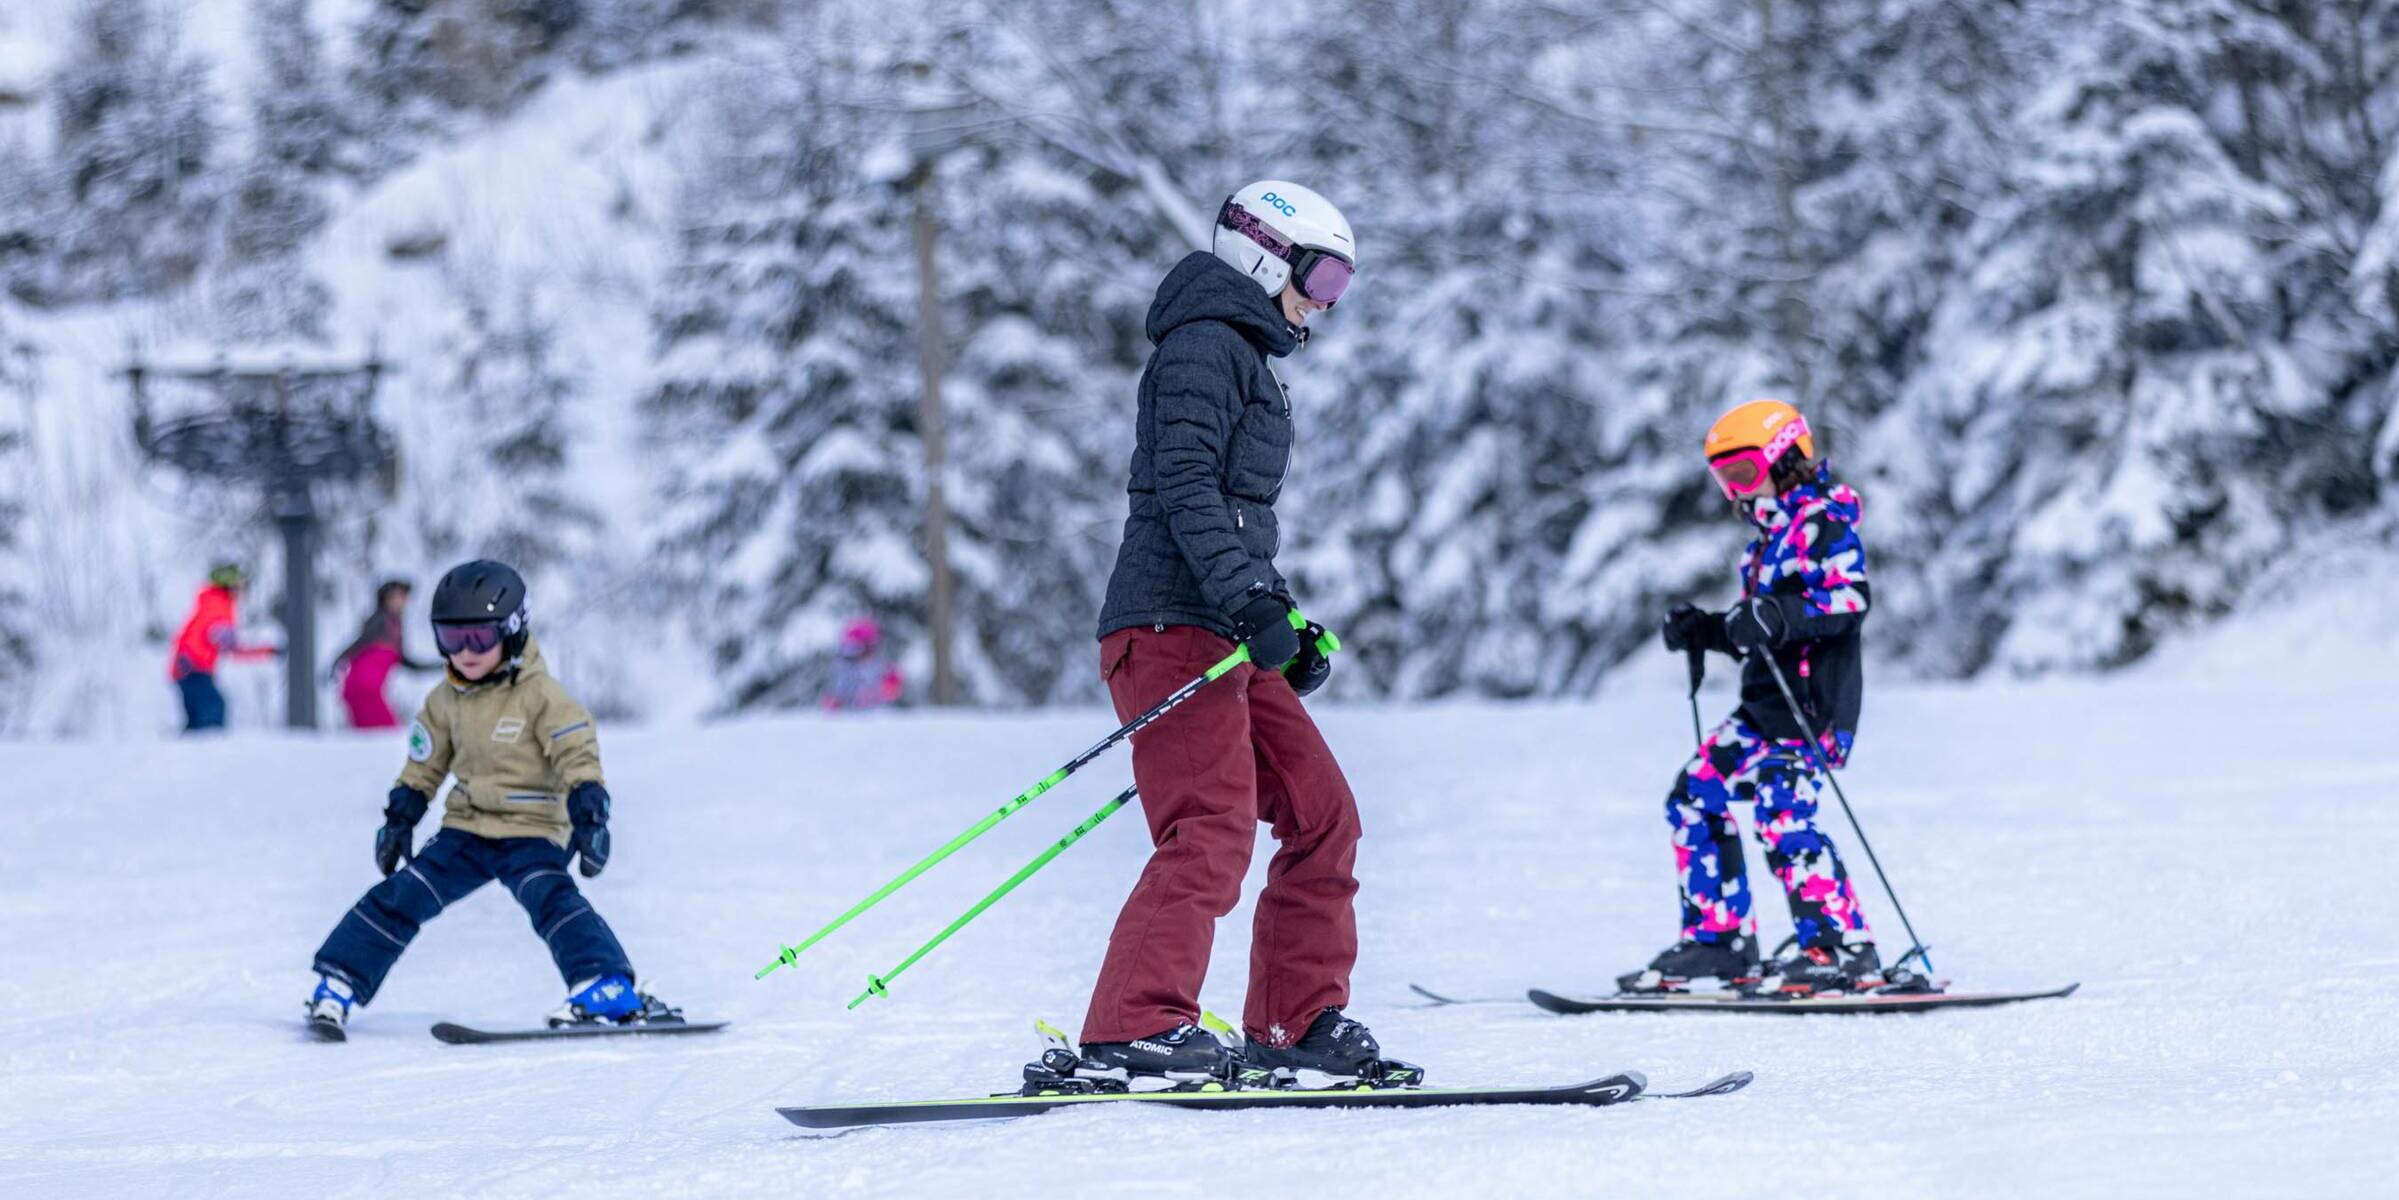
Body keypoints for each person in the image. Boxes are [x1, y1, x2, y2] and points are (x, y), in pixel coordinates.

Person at [1077, 179, 1399, 1084]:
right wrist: (1249, 600)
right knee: (1210, 826)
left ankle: (1295, 1021)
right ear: (1263, 252)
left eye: (1340, 285)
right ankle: (1130, 1025)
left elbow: (1236, 516)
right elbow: (1182, 489)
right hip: (1165, 623)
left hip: (1218, 625)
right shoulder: (1201, 348)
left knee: (1321, 812)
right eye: (1321, 277)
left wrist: (1282, 616)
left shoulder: (1243, 358)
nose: (1324, 303)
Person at [303, 559, 675, 1036]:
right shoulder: (445, 700)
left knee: (554, 900)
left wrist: (589, 810)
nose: (466, 652)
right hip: (468, 830)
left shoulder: (541, 695)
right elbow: (425, 765)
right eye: (451, 639)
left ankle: (604, 986)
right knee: (402, 895)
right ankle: (338, 983)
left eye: (479, 638)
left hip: (533, 830)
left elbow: (576, 751)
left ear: (513, 631)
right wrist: (401, 817)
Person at [1626, 399, 1893, 996]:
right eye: (1724, 480)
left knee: (1782, 813)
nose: (1735, 492)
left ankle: (1842, 946)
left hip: (1812, 709)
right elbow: (1760, 631)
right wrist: (1709, 629)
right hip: (1764, 707)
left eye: (1743, 473)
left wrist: (1775, 612)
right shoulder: (1769, 541)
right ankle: (1719, 942)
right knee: (1693, 796)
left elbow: (1848, 602)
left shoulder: (1825, 520)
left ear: (1785, 458)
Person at [167, 563, 280, 733]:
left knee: (199, 719)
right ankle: (208, 752)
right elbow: (229, 646)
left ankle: (193, 751)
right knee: (213, 710)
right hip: (193, 670)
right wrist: (266, 651)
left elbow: (203, 637)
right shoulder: (218, 607)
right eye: (239, 585)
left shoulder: (212, 604)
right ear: (230, 585)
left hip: (189, 669)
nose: (242, 591)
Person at [330, 578, 439, 730]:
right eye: (394, 597)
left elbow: (406, 662)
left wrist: (438, 666)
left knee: (379, 737)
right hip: (363, 690)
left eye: (402, 597)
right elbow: (358, 644)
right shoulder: (380, 620)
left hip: (368, 691)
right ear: (384, 599)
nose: (400, 601)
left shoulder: (396, 627)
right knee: (388, 735)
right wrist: (336, 662)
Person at [820, 617, 902, 711]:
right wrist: (834, 700)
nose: (855, 656)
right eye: (850, 651)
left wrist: (889, 688)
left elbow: (891, 690)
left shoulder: (880, 667)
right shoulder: (844, 669)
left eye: (858, 649)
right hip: (849, 716)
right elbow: (837, 691)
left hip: (879, 714)